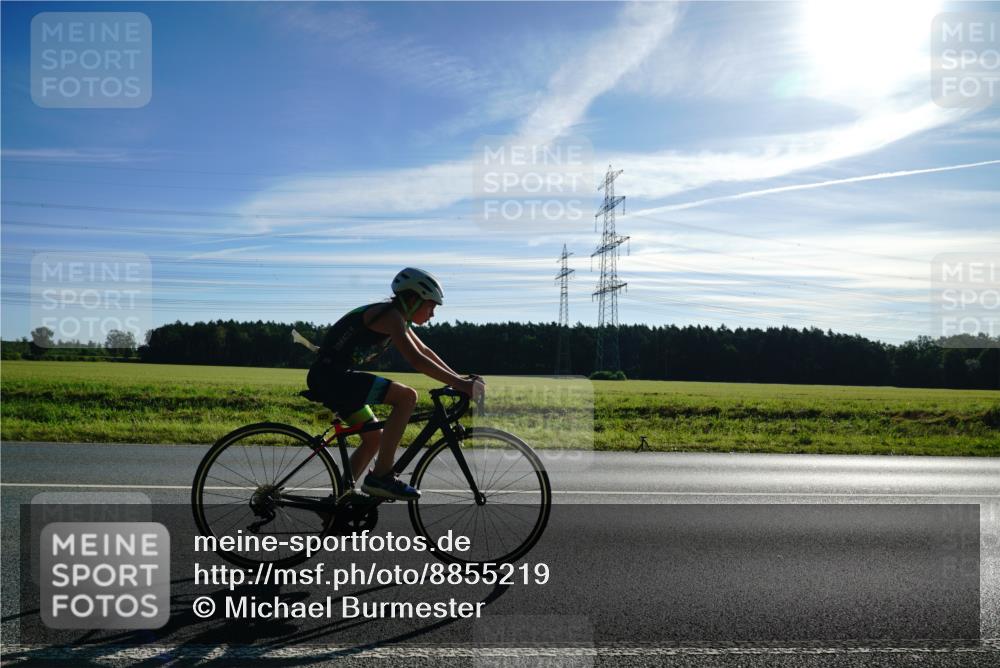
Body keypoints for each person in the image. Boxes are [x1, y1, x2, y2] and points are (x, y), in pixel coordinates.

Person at [306, 268, 485, 501]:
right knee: (406, 397)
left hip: (333, 377)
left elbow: (424, 350)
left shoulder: (397, 317)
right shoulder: (391, 317)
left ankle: (339, 504)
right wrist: (461, 385)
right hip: (332, 378)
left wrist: (460, 380)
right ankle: (381, 477)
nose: (432, 314)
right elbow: (416, 359)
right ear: (412, 300)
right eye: (430, 306)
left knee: (375, 439)